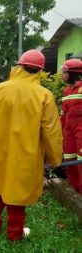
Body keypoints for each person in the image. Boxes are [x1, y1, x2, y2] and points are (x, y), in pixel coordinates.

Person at [0, 49, 63, 241]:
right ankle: (14, 234)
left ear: (18, 66)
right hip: (25, 155)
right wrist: (55, 157)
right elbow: (51, 131)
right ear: (39, 71)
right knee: (17, 196)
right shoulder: (44, 95)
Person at [60, 58, 82, 193]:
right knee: (69, 160)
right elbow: (63, 113)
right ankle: (75, 189)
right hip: (68, 133)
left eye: (64, 72)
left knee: (80, 162)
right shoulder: (66, 91)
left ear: (73, 73)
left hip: (81, 132)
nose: (62, 75)